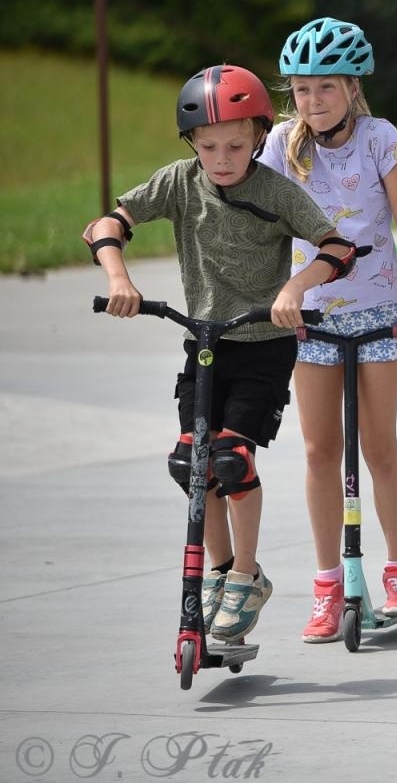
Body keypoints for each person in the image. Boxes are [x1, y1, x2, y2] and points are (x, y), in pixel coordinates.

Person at [83, 64, 361, 640]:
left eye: (236, 145)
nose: (223, 158)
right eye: (209, 146)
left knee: (232, 458)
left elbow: (338, 245)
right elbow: (105, 225)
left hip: (264, 343)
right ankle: (217, 569)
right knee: (194, 463)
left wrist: (294, 289)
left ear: (261, 136)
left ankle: (247, 574)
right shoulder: (180, 183)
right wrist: (118, 278)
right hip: (206, 342)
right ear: (192, 144)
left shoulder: (276, 191)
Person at [259, 17, 397, 642]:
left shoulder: (379, 138)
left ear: (352, 87)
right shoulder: (280, 144)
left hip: (376, 313)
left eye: (326, 88)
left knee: (379, 447)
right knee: (318, 452)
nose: (313, 101)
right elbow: (261, 226)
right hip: (309, 319)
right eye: (302, 89)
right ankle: (328, 584)